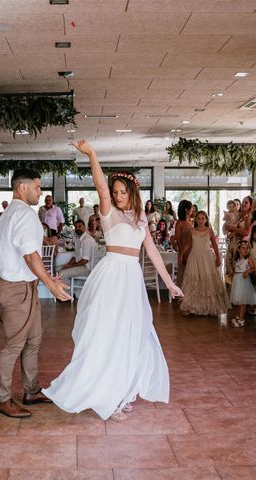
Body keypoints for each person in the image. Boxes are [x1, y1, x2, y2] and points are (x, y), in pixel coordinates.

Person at [43, 140, 182, 422]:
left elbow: (152, 252)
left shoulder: (142, 218)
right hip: (111, 277)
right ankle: (109, 396)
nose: (117, 195)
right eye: (115, 191)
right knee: (109, 334)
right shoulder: (108, 213)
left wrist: (169, 283)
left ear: (131, 192)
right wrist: (93, 155)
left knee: (133, 335)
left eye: (122, 192)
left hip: (131, 280)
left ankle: (124, 390)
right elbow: (100, 186)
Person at [0, 168, 71, 419]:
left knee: (33, 340)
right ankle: (2, 399)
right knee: (13, 345)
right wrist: (49, 283)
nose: (41, 191)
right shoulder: (23, 214)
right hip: (17, 291)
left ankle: (31, 390)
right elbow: (30, 255)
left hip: (26, 287)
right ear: (22, 187)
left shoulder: (12, 212)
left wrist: (43, 281)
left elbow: (28, 254)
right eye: (37, 187)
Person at [179, 211, 230, 317]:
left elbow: (215, 245)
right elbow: (189, 243)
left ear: (206, 220)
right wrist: (182, 254)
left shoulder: (209, 230)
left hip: (207, 258)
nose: (201, 220)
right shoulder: (192, 231)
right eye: (198, 218)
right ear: (195, 220)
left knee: (208, 281)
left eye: (203, 218)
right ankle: (190, 306)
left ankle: (211, 307)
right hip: (194, 257)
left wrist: (218, 257)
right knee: (194, 281)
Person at [57, 219, 97, 289]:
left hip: (87, 268)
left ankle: (68, 295)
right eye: (76, 227)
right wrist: (68, 264)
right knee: (57, 269)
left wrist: (70, 266)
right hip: (81, 266)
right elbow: (75, 256)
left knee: (61, 274)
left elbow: (85, 260)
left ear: (84, 227)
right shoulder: (78, 239)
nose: (78, 228)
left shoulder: (87, 240)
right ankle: (70, 291)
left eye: (80, 226)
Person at [229, 240, 256, 328]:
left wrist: (248, 271)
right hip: (237, 281)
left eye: (247, 248)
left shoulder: (248, 259)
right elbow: (236, 270)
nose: (246, 250)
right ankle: (239, 316)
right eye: (243, 248)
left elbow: (254, 268)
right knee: (238, 300)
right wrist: (231, 274)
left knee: (242, 301)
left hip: (244, 282)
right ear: (238, 250)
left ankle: (241, 320)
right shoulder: (237, 260)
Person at [224, 195, 253, 279]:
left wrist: (233, 228)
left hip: (240, 245)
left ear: (250, 205)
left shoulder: (248, 217)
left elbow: (247, 233)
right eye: (243, 202)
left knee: (236, 268)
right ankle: (229, 290)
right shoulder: (238, 215)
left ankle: (237, 289)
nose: (243, 204)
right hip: (232, 243)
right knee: (229, 266)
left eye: (246, 202)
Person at [172, 199, 193, 290]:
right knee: (183, 272)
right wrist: (182, 254)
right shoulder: (179, 223)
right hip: (184, 250)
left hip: (192, 249)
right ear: (186, 209)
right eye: (191, 208)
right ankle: (182, 295)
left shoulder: (189, 221)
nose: (192, 209)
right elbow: (178, 240)